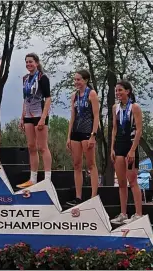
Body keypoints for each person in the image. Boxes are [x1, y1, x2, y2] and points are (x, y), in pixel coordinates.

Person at [109, 80, 144, 224]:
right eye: (116, 91)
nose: (118, 93)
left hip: (130, 145)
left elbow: (139, 130)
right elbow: (114, 129)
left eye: (120, 90)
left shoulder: (134, 107)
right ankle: (123, 213)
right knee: (121, 182)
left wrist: (133, 150)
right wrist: (112, 147)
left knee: (133, 181)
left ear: (128, 91)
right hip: (119, 145)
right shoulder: (115, 108)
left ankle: (138, 213)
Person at [16, 53, 52, 188]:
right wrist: (22, 117)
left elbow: (48, 98)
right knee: (31, 147)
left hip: (39, 114)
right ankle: (33, 179)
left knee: (42, 147)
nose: (28, 64)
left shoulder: (42, 77)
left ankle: (47, 179)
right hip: (28, 115)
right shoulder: (25, 78)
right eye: (26, 62)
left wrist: (43, 117)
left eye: (31, 62)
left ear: (36, 63)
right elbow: (25, 99)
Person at [66, 70, 100, 206]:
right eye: (75, 80)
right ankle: (78, 197)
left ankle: (93, 197)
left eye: (78, 80)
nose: (76, 82)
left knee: (91, 164)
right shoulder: (74, 96)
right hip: (76, 133)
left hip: (87, 132)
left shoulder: (91, 94)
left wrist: (93, 135)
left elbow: (96, 116)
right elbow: (72, 116)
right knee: (77, 165)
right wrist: (68, 136)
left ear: (85, 80)